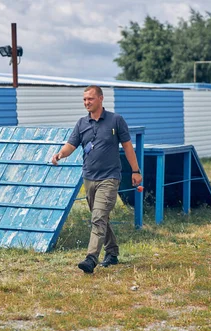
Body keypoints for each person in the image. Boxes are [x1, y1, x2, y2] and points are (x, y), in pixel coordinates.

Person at [51, 85, 142, 274]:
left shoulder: (116, 120)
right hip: (89, 177)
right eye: (84, 100)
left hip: (109, 177)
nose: (86, 103)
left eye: (90, 99)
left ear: (100, 99)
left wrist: (135, 170)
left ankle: (91, 258)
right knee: (100, 217)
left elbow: (127, 147)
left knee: (98, 217)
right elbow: (71, 145)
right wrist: (60, 154)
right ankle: (113, 252)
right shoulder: (81, 123)